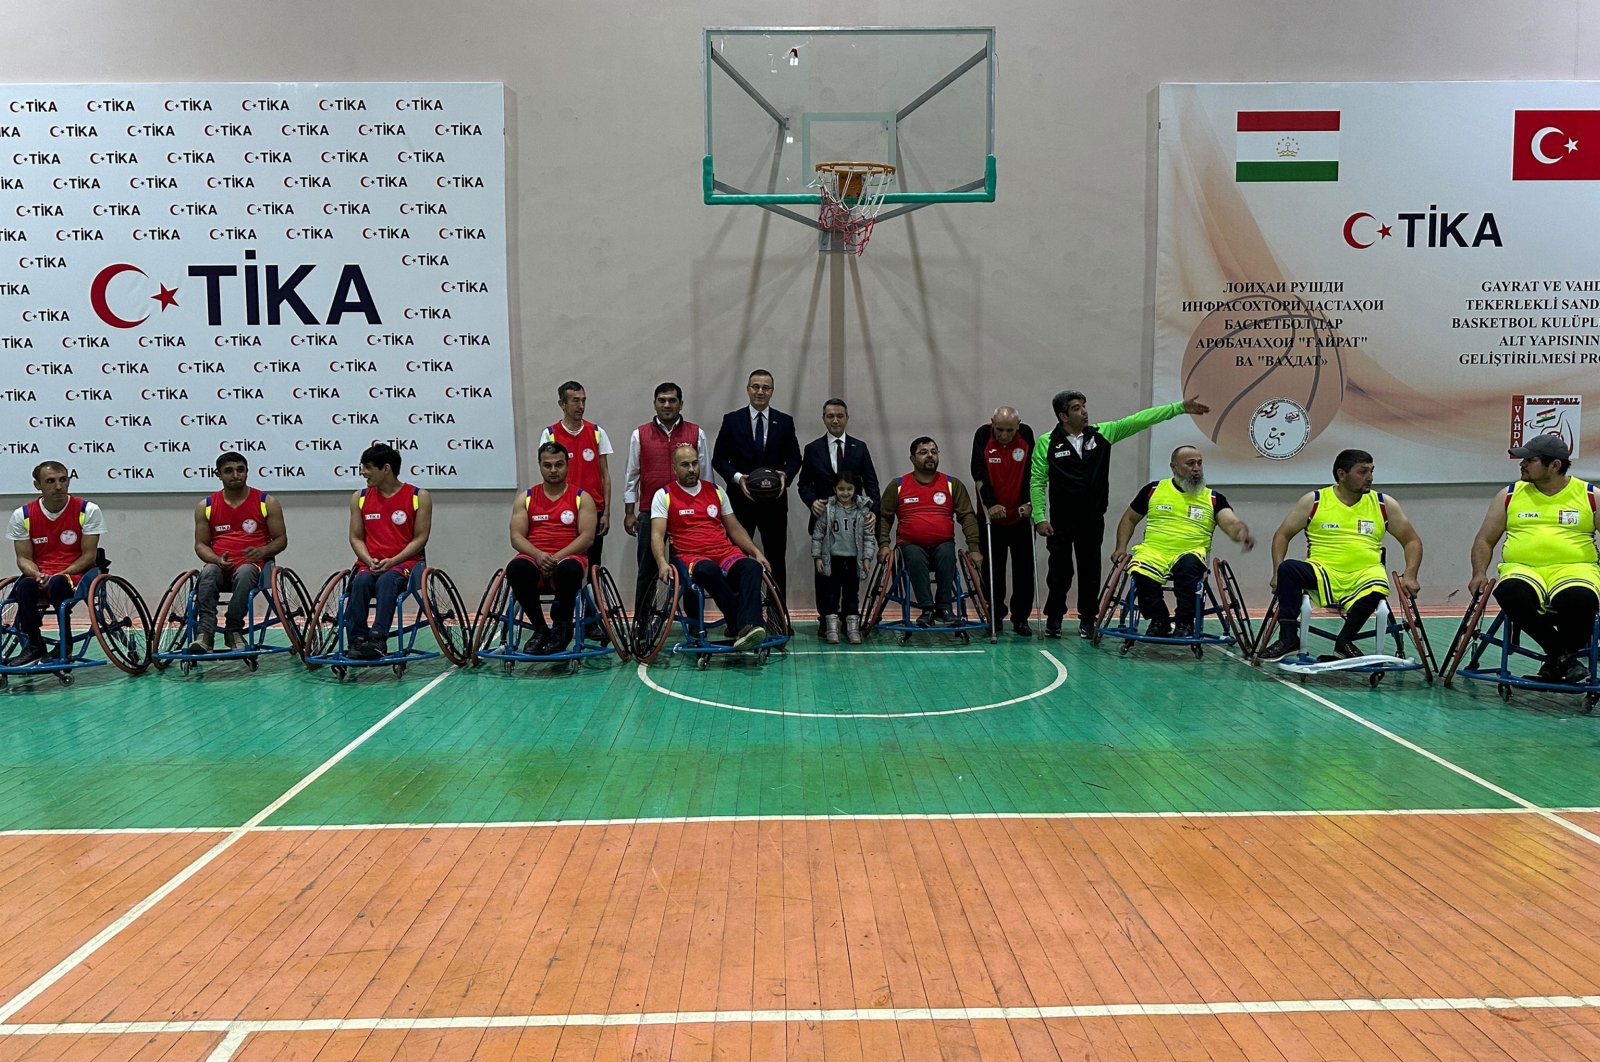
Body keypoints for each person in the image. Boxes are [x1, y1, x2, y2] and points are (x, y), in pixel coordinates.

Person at [1031, 390, 1212, 639]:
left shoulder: (1102, 434)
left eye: (1084, 406)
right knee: (1059, 571)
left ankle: (1087, 619)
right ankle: (1054, 618)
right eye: (1076, 408)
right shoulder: (1047, 442)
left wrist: (1179, 407)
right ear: (1063, 416)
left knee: (1090, 570)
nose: (1084, 411)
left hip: (1092, 518)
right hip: (1061, 520)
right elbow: (1037, 480)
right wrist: (1040, 517)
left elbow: (1139, 420)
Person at [1257, 448, 1424, 660]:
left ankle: (1344, 641)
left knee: (1379, 584)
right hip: (1322, 571)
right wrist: (1276, 572)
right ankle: (1289, 637)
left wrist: (1410, 574)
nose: (1370, 478)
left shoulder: (1383, 504)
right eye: (1362, 472)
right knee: (1288, 569)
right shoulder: (1315, 500)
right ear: (1341, 474)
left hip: (1365, 572)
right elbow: (1282, 535)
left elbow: (1412, 541)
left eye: (1371, 471)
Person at [1468, 433, 1599, 684]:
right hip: (1523, 569)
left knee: (1580, 599)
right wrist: (1479, 572)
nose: (1522, 464)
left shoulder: (1590, 495)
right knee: (1510, 592)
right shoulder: (1509, 494)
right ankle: (1563, 657)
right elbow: (1484, 540)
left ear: (1555, 465)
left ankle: (1555, 659)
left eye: (1530, 460)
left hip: (1575, 570)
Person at [1110, 445, 1254, 637]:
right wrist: (1121, 547)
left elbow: (1230, 522)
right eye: (1190, 463)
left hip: (1191, 552)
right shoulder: (1153, 490)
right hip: (1153, 551)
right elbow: (1129, 518)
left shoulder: (1213, 498)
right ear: (1174, 467)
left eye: (1200, 463)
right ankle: (1158, 619)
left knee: (1188, 568)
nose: (1197, 468)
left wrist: (1241, 532)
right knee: (1139, 569)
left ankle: (1184, 622)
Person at [651, 443, 771, 650]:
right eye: (685, 465)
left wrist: (756, 552)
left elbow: (734, 529)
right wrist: (661, 562)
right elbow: (657, 534)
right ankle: (740, 626)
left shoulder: (716, 491)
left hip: (725, 553)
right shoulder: (664, 495)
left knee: (752, 567)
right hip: (691, 556)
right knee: (708, 570)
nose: (691, 469)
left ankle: (753, 625)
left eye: (695, 464)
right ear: (674, 468)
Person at [712, 369, 802, 600]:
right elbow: (719, 459)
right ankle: (737, 618)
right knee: (736, 557)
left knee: (775, 558)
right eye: (756, 386)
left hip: (774, 502)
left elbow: (795, 458)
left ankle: (777, 617)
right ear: (748, 389)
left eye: (766, 387)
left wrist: (785, 476)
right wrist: (737, 477)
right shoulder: (732, 420)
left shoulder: (784, 421)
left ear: (772, 391)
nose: (760, 391)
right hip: (741, 502)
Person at [5, 461, 105, 666]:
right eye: (50, 481)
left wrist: (62, 573)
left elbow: (89, 556)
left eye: (63, 480)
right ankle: (34, 646)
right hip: (40, 573)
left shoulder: (88, 510)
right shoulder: (22, 515)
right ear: (37, 485)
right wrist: (36, 574)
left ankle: (65, 645)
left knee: (59, 583)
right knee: (24, 586)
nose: (58, 486)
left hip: (78, 572)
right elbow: (23, 558)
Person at [188, 451, 288, 653]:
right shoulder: (205, 506)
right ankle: (204, 633)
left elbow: (281, 539)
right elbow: (200, 545)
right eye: (229, 471)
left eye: (240, 470)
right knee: (207, 572)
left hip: (255, 568)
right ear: (218, 474)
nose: (236, 475)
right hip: (220, 567)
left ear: (247, 472)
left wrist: (262, 551)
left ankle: (233, 629)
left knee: (244, 571)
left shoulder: (266, 502)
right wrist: (216, 559)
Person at [623, 381, 710, 614]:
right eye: (662, 400)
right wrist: (629, 512)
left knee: (691, 569)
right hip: (650, 513)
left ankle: (694, 626)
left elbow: (706, 476)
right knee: (648, 570)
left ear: (681, 404)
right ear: (654, 404)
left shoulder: (696, 433)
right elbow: (631, 475)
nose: (667, 405)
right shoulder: (639, 434)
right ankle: (642, 624)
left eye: (672, 400)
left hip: (689, 513)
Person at [876, 437, 983, 626]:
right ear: (912, 458)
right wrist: (884, 544)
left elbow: (967, 516)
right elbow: (884, 517)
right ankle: (926, 609)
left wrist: (973, 547)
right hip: (909, 545)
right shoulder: (898, 485)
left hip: (942, 544)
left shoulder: (952, 484)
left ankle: (944, 608)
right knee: (914, 556)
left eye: (934, 451)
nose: (930, 456)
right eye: (923, 452)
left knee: (947, 552)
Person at [505, 441, 597, 655]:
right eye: (548, 465)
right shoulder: (525, 498)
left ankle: (562, 627)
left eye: (559, 464)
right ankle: (540, 628)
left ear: (567, 465)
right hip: (534, 557)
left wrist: (555, 558)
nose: (554, 470)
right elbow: (516, 536)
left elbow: (587, 537)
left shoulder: (582, 498)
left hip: (568, 557)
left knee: (570, 569)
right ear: (540, 466)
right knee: (516, 569)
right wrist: (538, 555)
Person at [344, 443, 433, 661]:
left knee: (387, 581)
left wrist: (393, 560)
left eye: (367, 467)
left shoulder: (418, 496)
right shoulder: (360, 497)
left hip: (406, 563)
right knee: (361, 582)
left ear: (386, 469)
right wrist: (368, 560)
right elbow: (356, 537)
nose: (362, 472)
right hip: (369, 562)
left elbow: (420, 538)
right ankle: (357, 639)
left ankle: (378, 638)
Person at [970, 406, 1037, 635]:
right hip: (991, 516)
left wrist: (1029, 502)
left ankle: (1021, 619)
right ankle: (996, 614)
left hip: (1020, 517)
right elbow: (978, 473)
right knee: (993, 570)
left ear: (1018, 425)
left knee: (1024, 571)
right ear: (992, 424)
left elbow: (1032, 472)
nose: (1004, 435)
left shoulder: (1026, 435)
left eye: (1010, 430)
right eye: (999, 430)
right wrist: (990, 504)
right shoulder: (982, 435)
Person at [539, 380, 611, 567]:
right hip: (564, 510)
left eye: (583, 401)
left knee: (594, 564)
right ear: (562, 404)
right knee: (566, 561)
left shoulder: (597, 432)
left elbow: (605, 475)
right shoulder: (550, 434)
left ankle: (593, 596)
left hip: (594, 509)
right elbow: (547, 474)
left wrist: (606, 513)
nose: (581, 406)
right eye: (575, 401)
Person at [811, 471, 875, 644]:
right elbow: (818, 534)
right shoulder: (828, 510)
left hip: (853, 560)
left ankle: (852, 629)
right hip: (832, 560)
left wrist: (867, 558)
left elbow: (869, 537)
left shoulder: (863, 511)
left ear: (855, 489)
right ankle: (832, 629)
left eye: (849, 489)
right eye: (841, 489)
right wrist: (817, 557)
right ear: (834, 489)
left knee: (851, 594)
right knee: (831, 594)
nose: (845, 493)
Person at [798, 397, 881, 522]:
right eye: (830, 416)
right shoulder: (812, 449)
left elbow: (871, 483)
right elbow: (804, 484)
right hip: (823, 517)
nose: (835, 421)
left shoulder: (860, 447)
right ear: (823, 419)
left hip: (855, 517)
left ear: (847, 418)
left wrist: (874, 511)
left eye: (840, 416)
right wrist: (812, 501)